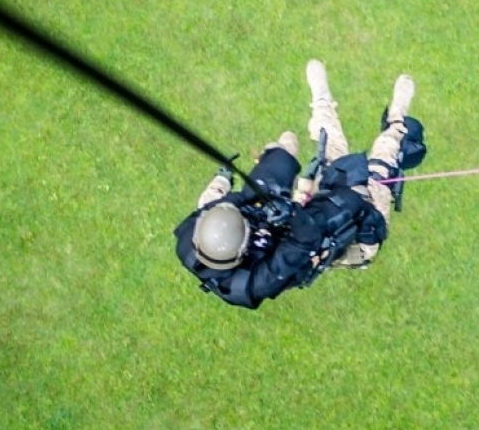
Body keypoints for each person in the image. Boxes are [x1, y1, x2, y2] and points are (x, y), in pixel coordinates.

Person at [173, 61, 421, 308]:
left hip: (288, 224)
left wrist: (224, 178)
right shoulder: (259, 281)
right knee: (374, 174)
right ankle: (397, 121)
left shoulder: (194, 232)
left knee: (302, 151)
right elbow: (306, 239)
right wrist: (292, 210)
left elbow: (214, 203)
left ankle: (322, 103)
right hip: (336, 241)